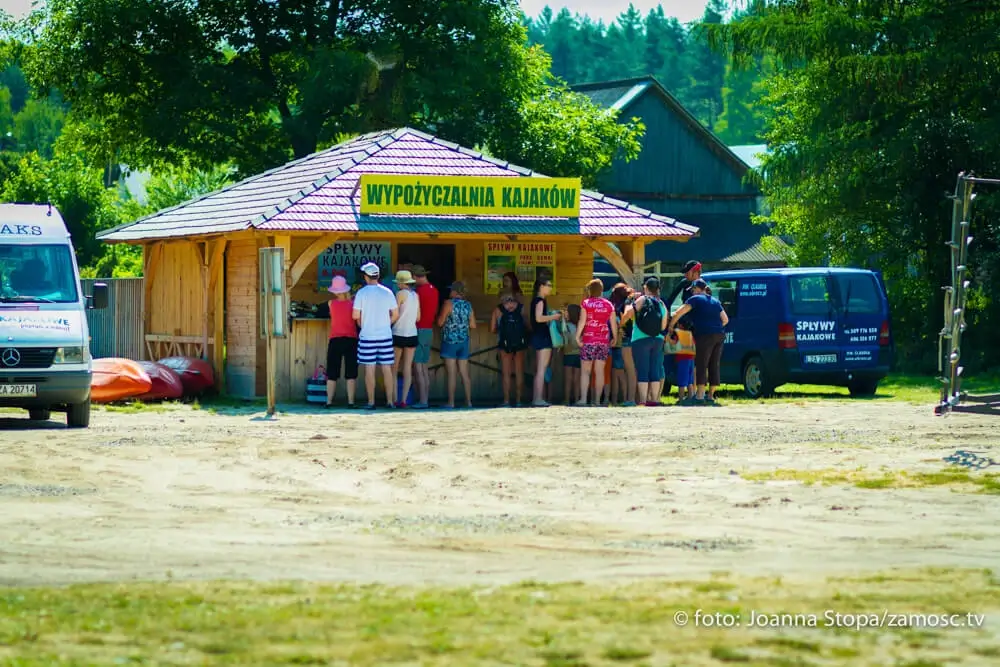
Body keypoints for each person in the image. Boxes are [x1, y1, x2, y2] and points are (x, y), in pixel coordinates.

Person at [668, 278, 729, 406]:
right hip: (719, 334)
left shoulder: (695, 299)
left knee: (701, 363)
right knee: (714, 363)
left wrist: (671, 326)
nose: (692, 292)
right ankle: (711, 395)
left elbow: (679, 312)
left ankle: (700, 395)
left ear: (697, 289)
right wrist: (715, 327)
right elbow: (725, 320)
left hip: (704, 335)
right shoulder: (715, 301)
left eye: (693, 290)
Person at [352, 262, 399, 410]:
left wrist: (362, 324)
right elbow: (395, 314)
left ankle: (371, 402)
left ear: (366, 276)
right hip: (385, 335)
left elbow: (355, 315)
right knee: (387, 369)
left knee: (369, 369)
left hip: (367, 335)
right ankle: (390, 401)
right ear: (378, 275)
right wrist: (386, 323)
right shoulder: (388, 292)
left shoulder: (361, 293)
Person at [625, 277, 668, 406]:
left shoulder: (642, 299)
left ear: (645, 288)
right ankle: (654, 400)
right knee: (655, 369)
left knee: (642, 369)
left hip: (640, 338)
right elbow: (663, 326)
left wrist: (629, 302)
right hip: (658, 339)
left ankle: (643, 400)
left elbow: (628, 314)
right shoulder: (661, 304)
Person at [576, 279, 616, 406]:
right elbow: (613, 324)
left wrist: (577, 336)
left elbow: (582, 321)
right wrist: (615, 337)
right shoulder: (609, 304)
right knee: (599, 371)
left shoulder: (586, 303)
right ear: (602, 290)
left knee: (585, 371)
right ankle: (598, 401)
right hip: (603, 340)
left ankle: (583, 399)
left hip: (588, 340)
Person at [436, 281, 477, 408]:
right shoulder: (468, 305)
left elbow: (440, 322)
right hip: (463, 341)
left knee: (452, 373)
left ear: (454, 291)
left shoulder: (448, 303)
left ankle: (451, 402)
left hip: (450, 341)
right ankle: (469, 402)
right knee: (464, 373)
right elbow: (473, 325)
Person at [324, 275, 358, 408]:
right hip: (351, 339)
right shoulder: (353, 304)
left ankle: (329, 401)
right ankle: (351, 402)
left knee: (332, 372)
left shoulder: (330, 304)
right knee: (351, 373)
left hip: (335, 339)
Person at [529, 277, 562, 407]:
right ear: (541, 286)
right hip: (543, 336)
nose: (550, 287)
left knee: (539, 369)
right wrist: (554, 316)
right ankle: (538, 398)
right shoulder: (540, 301)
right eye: (548, 285)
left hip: (537, 336)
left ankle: (536, 398)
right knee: (542, 369)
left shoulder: (535, 301)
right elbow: (538, 318)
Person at [491, 291, 528, 407]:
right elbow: (527, 325)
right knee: (519, 372)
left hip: (504, 344)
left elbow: (492, 329)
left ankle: (506, 401)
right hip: (520, 344)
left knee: (506, 372)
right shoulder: (521, 308)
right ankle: (518, 400)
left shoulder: (498, 310)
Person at [391, 269, 420, 407]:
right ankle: (404, 400)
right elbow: (418, 317)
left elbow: (394, 313)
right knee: (408, 367)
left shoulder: (400, 294)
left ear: (401, 283)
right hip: (412, 333)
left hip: (398, 332)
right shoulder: (415, 296)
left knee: (394, 367)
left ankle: (394, 398)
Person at [411, 265, 439, 409]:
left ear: (415, 277)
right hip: (429, 329)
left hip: (418, 329)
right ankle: (425, 399)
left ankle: (422, 401)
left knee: (418, 367)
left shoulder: (418, 293)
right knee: (424, 366)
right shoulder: (434, 290)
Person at [613, 284, 638, 406]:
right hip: (637, 338)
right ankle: (636, 398)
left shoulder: (624, 304)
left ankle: (630, 399)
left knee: (630, 370)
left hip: (626, 338)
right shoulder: (637, 300)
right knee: (635, 370)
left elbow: (625, 317)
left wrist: (620, 325)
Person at [665, 321, 696, 404]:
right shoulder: (690, 334)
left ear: (680, 326)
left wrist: (668, 337)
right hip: (691, 359)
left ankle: (681, 399)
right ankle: (690, 397)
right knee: (690, 381)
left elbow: (673, 343)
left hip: (682, 359)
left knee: (681, 381)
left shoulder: (679, 334)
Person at [561, 304, 582, 405]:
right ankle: (578, 398)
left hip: (568, 353)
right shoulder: (581, 325)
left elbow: (564, 340)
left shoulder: (566, 326)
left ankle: (567, 399)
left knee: (568, 378)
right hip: (579, 354)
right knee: (577, 378)